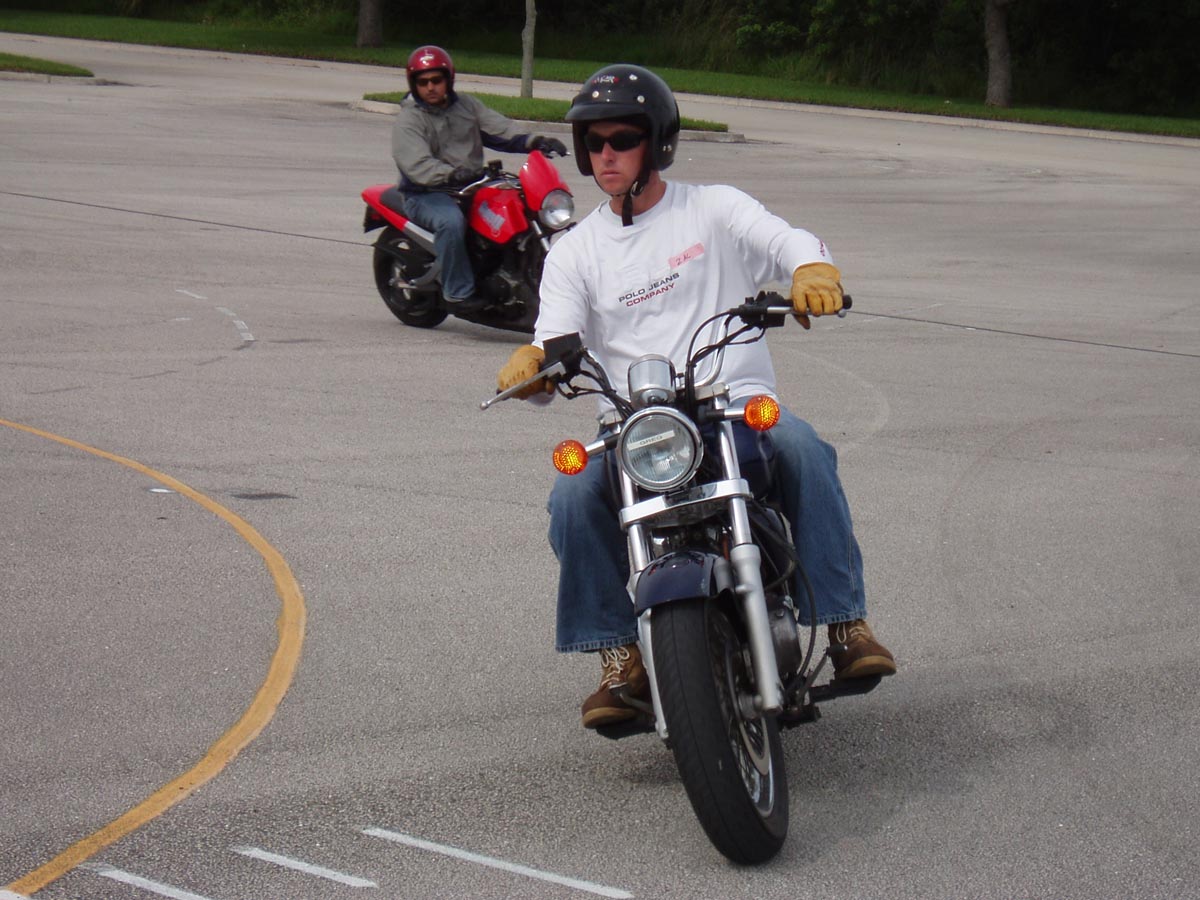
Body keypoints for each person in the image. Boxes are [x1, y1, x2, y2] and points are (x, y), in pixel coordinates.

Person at [497, 64, 896, 730]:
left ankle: (845, 622)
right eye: (594, 142)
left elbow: (785, 239)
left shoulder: (713, 209)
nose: (606, 154)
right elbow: (555, 339)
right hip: (636, 428)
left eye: (623, 139)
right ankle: (619, 655)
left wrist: (811, 267)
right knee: (571, 494)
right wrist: (533, 364)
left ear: (657, 141)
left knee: (802, 447)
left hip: (733, 406)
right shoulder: (575, 251)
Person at [391, 45, 567, 310]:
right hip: (426, 193)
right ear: (413, 84)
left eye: (436, 80)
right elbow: (416, 164)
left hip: (470, 186)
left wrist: (537, 141)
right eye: (423, 82)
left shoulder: (467, 106)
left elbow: (500, 129)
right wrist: (451, 174)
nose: (430, 87)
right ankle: (457, 292)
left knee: (520, 207)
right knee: (451, 222)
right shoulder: (409, 119)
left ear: (448, 79)